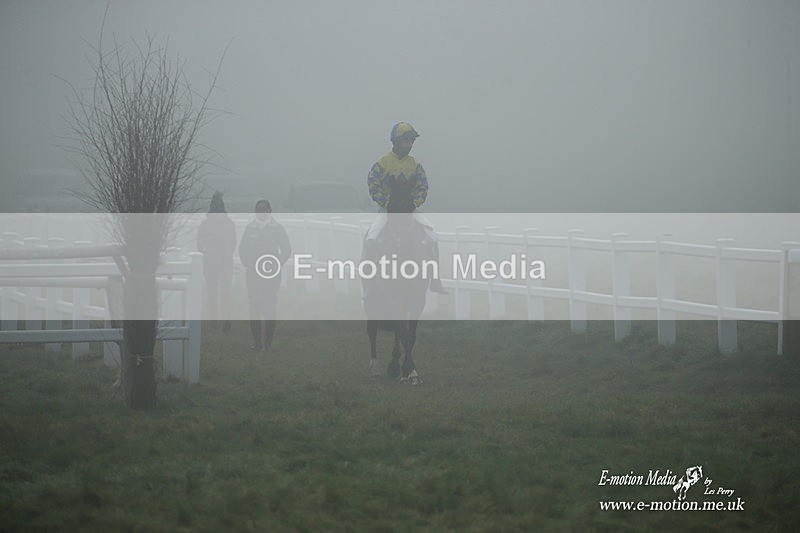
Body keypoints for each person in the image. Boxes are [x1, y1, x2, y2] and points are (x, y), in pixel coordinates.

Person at [365, 122, 447, 294]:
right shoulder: (382, 164)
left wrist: (415, 202)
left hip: (410, 211)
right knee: (371, 238)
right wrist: (387, 203)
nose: (409, 145)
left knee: (432, 236)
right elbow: (373, 185)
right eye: (405, 141)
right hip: (387, 211)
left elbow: (423, 187)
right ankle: (368, 284)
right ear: (395, 141)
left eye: (411, 141)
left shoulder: (416, 165)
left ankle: (435, 280)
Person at [238, 199, 292, 351]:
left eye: (264, 209)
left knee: (269, 307)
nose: (261, 212)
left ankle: (268, 343)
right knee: (254, 307)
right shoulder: (250, 229)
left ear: (269, 211)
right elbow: (242, 250)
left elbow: (286, 250)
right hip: (253, 275)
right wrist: (249, 263)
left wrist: (276, 263)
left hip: (271, 275)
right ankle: (257, 343)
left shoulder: (278, 229)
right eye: (258, 209)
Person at [197, 191, 236, 332]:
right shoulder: (225, 224)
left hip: (221, 262)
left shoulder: (208, 224)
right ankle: (214, 320)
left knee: (223, 292)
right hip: (214, 262)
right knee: (213, 292)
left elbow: (232, 243)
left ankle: (224, 320)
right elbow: (200, 245)